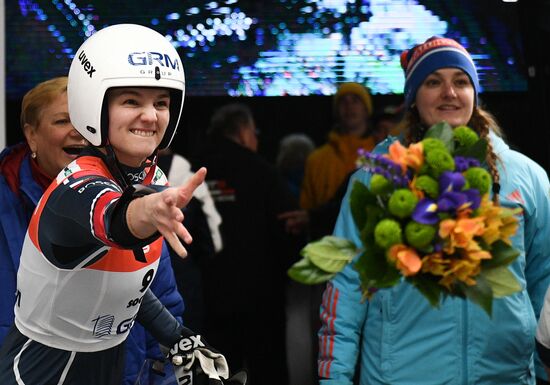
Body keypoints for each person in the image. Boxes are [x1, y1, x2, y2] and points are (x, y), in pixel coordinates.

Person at [0, 24, 241, 385]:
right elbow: (113, 217)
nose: (151, 115)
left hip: (109, 367)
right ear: (93, 106)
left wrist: (178, 339)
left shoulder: (152, 178)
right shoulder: (77, 183)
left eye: (161, 102)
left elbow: (122, 288)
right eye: (131, 101)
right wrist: (147, 211)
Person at [318, 36, 550, 385]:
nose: (449, 93)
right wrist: (333, 379)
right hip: (402, 376)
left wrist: (540, 367)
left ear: (474, 92)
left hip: (505, 376)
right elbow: (346, 287)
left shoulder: (527, 177)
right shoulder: (375, 181)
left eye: (460, 81)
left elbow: (543, 280)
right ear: (413, 98)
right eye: (433, 82)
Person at [0, 76, 185, 385]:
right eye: (63, 120)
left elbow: (157, 297)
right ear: (31, 136)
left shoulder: (141, 195)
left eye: (86, 121)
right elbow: (110, 218)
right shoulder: (8, 198)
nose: (79, 132)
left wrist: (175, 358)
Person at [190, 103, 300, 385]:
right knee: (268, 369)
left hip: (209, 295)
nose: (257, 138)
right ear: (242, 131)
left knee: (218, 373)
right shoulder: (262, 171)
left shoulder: (191, 170)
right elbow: (289, 225)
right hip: (262, 296)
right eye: (255, 132)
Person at [158, 147, 223, 332]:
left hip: (139, 285)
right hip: (184, 281)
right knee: (184, 347)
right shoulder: (192, 181)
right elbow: (213, 241)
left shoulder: (126, 178)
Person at [300, 81, 376, 212]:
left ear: (366, 109)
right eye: (343, 101)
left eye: (355, 100)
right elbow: (306, 209)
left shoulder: (381, 155)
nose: (349, 106)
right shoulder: (316, 160)